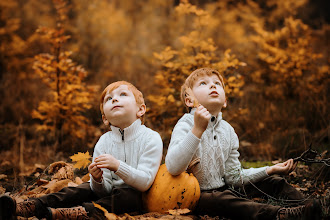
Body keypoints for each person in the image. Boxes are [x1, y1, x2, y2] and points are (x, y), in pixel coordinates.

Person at [165, 68, 321, 220]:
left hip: (225, 187)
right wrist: (197, 130)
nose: (212, 86)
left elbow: (233, 177)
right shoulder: (185, 125)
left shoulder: (228, 130)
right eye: (203, 83)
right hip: (195, 196)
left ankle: (310, 207)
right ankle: (280, 215)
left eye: (217, 83)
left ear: (225, 101)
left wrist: (269, 169)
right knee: (225, 200)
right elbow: (173, 167)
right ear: (189, 100)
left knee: (274, 182)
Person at [0, 81, 163, 219]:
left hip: (137, 196)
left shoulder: (151, 138)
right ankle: (31, 206)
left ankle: (82, 212)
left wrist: (117, 166)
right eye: (109, 98)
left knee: (129, 196)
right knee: (80, 189)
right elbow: (103, 191)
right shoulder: (104, 142)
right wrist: (98, 180)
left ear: (140, 110)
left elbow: (144, 182)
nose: (114, 99)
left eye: (122, 95)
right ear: (105, 119)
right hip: (108, 193)